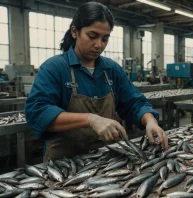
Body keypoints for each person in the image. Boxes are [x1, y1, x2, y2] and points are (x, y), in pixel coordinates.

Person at [25, 2, 168, 162]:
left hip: (107, 160)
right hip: (63, 164)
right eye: (92, 36)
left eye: (105, 39)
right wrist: (91, 119)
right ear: (75, 31)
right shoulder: (55, 68)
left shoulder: (111, 69)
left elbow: (134, 103)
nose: (99, 45)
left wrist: (150, 121)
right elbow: (37, 112)